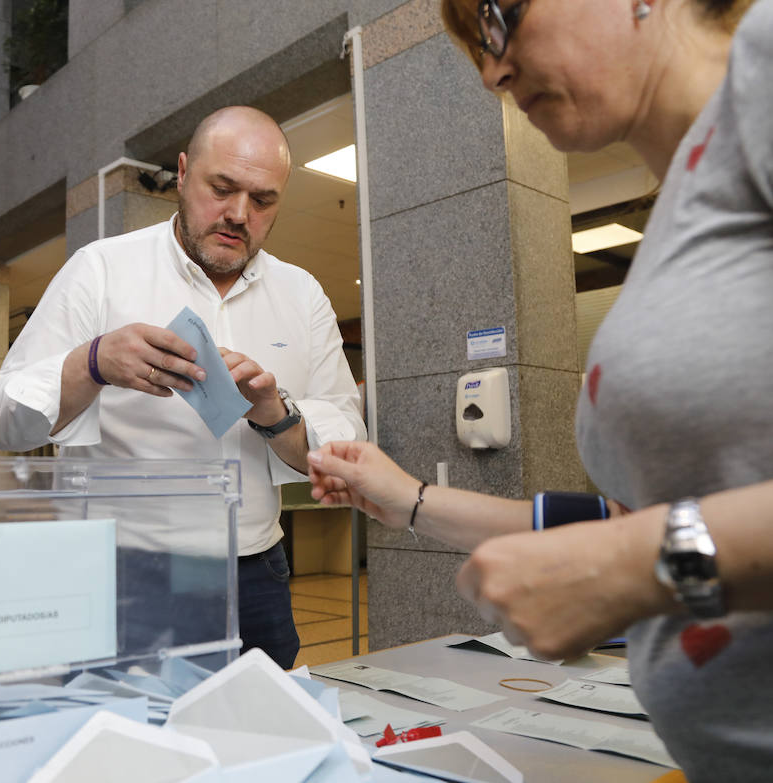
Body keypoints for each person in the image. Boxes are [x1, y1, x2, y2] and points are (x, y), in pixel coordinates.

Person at [306, 0, 773, 778]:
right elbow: (648, 521)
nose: (493, 69)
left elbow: (643, 543)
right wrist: (409, 499)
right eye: (474, 48)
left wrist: (634, 566)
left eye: (499, 17)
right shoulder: (684, 202)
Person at [0, 106, 365, 669]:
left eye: (263, 200)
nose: (239, 214)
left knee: (263, 740)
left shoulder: (301, 293)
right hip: (125, 569)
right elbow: (3, 420)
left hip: (255, 571)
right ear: (183, 174)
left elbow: (344, 443)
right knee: (124, 742)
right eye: (222, 188)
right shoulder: (101, 270)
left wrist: (274, 413)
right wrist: (92, 363)